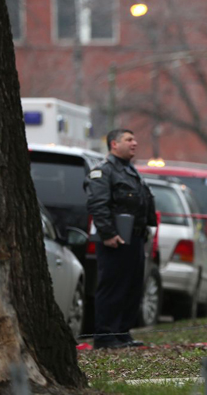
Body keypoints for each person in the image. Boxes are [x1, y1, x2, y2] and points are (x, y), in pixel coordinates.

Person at [85, 129, 157, 349]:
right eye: (129, 140)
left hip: (134, 239)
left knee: (132, 288)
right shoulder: (104, 172)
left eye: (134, 139)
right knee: (113, 287)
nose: (134, 143)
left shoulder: (131, 171)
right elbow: (98, 204)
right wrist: (108, 234)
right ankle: (105, 335)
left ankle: (122, 333)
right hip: (115, 240)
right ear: (114, 144)